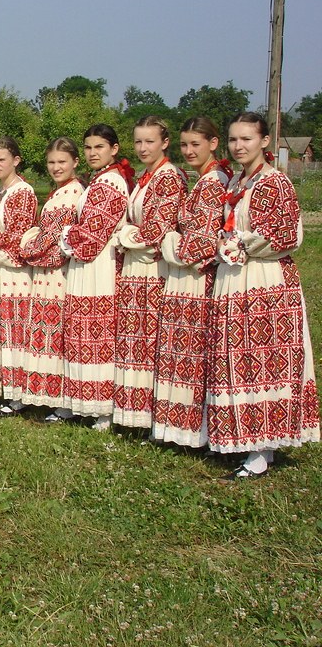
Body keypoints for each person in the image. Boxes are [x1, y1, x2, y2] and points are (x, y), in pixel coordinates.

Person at [207, 112, 319, 478]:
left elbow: (285, 234)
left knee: (263, 358)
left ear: (265, 141)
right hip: (236, 277)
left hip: (264, 280)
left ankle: (262, 449)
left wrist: (241, 244)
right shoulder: (238, 180)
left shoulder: (274, 181)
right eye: (233, 140)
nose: (238, 146)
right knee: (240, 357)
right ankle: (252, 442)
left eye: (246, 139)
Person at [152, 117, 231, 447]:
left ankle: (195, 431)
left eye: (195, 144)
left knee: (193, 354)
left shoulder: (214, 182)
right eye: (184, 144)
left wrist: (169, 241)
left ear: (213, 143)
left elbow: (200, 244)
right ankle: (180, 429)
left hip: (197, 278)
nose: (188, 151)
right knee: (184, 352)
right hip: (185, 275)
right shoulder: (203, 180)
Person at [56, 124, 133, 429]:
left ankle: (101, 408)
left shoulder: (111, 182)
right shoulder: (99, 180)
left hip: (99, 264)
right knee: (83, 332)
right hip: (87, 263)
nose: (92, 153)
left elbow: (91, 236)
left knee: (96, 334)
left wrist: (65, 236)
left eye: (99, 147)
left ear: (114, 149)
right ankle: (85, 402)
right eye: (88, 147)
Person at [112, 116, 186, 430]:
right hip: (136, 269)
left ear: (164, 143)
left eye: (149, 141)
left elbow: (158, 230)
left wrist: (124, 236)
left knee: (149, 340)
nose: (142, 148)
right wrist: (130, 234)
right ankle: (134, 414)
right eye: (138, 141)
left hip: (154, 269)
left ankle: (151, 414)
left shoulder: (168, 177)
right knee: (135, 339)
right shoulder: (146, 176)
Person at [18, 138, 84, 413]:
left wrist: (27, 245)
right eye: (51, 162)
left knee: (57, 335)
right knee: (48, 332)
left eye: (62, 162)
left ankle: (61, 401)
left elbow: (53, 242)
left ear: (75, 162)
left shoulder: (73, 194)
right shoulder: (60, 192)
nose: (56, 167)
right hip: (47, 273)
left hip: (58, 273)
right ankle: (48, 395)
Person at [0, 136, 37, 415]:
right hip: (1, 268)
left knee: (18, 330)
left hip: (16, 270)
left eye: (2, 159)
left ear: (16, 160)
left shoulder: (22, 192)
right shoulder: (1, 191)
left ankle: (20, 395)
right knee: (6, 329)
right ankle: (10, 390)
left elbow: (18, 237)